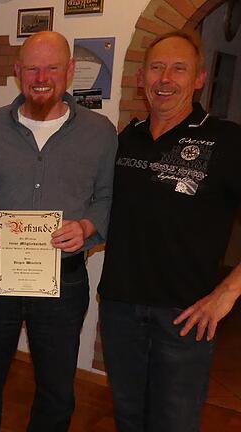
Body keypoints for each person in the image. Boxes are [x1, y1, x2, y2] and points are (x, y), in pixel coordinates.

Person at [0, 31, 118, 431]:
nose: (42, 76)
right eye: (32, 67)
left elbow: (106, 198)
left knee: (57, 389)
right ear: (18, 72)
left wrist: (87, 227)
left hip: (63, 282)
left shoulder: (100, 133)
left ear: (69, 70)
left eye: (52, 66)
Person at [98, 30, 241, 432]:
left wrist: (227, 293)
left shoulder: (228, 140)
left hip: (186, 316)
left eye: (179, 69)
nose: (165, 79)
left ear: (199, 78)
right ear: (141, 78)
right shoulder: (127, 139)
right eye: (157, 68)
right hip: (120, 308)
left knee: (174, 422)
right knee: (128, 416)